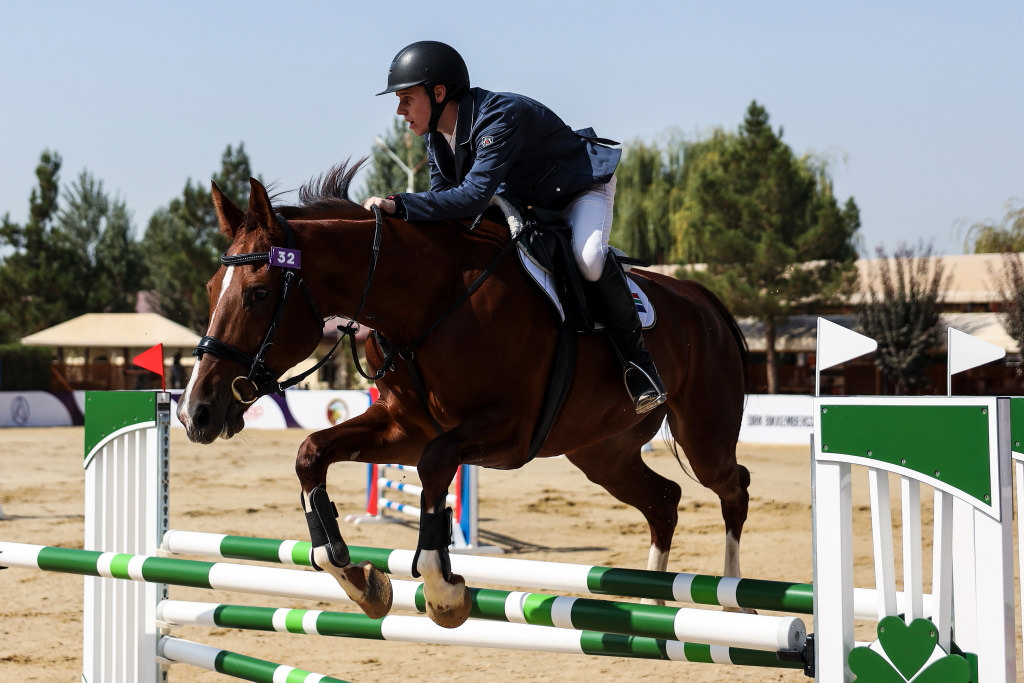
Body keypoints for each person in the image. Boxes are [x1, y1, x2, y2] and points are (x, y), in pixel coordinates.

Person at [362, 41, 666, 414]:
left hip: (579, 189)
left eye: (407, 98)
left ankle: (640, 367)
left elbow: (472, 197)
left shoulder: (499, 116)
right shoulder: (437, 138)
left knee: (587, 258)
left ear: (438, 93)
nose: (399, 110)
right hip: (528, 198)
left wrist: (398, 203)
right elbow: (446, 206)